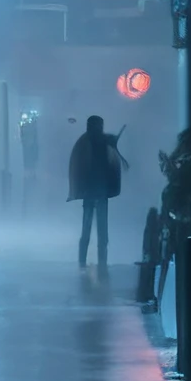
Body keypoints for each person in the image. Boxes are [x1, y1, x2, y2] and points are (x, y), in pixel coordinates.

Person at [67, 113, 124, 270]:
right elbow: (79, 166)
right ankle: (86, 263)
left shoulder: (93, 143)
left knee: (99, 233)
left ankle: (96, 263)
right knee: (90, 231)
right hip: (92, 192)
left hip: (99, 192)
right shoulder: (89, 143)